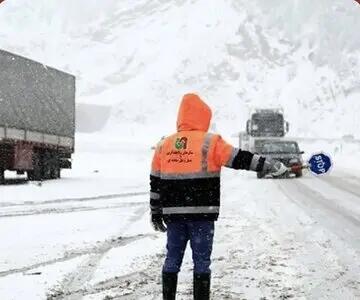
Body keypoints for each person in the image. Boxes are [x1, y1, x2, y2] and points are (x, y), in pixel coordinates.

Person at [149, 93, 287, 300]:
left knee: (172, 260)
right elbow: (240, 158)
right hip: (202, 216)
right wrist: (268, 165)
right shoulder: (211, 142)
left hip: (174, 216)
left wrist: (155, 212)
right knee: (202, 262)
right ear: (203, 116)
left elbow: (155, 182)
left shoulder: (164, 145)